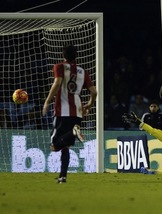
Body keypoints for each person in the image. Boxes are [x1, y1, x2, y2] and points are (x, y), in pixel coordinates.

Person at [42, 44, 97, 183]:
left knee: (54, 145)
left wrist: (47, 101)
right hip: (77, 112)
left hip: (62, 111)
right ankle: (63, 176)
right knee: (65, 146)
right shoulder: (83, 71)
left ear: (63, 55)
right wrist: (89, 105)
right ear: (76, 56)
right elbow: (94, 92)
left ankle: (73, 132)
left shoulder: (59, 67)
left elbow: (57, 82)